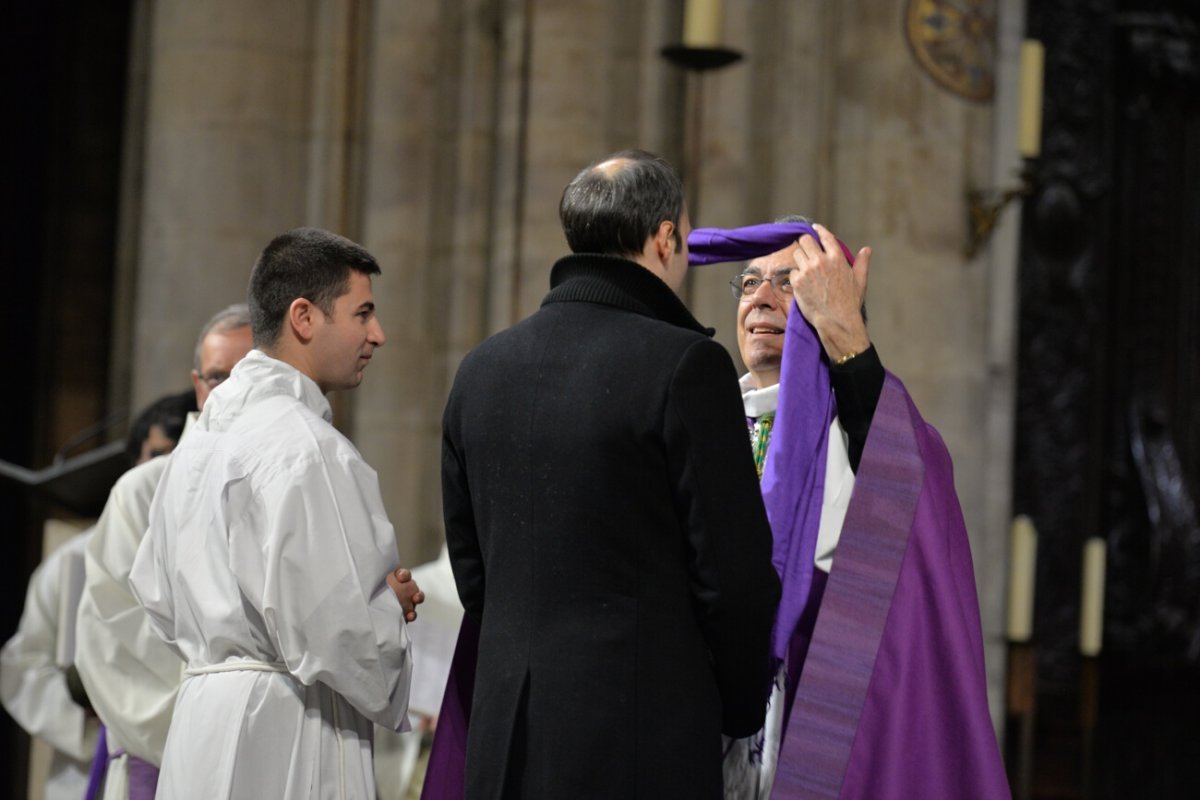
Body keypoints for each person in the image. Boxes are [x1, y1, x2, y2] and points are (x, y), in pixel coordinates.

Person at [433, 150, 781, 799]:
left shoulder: (480, 371)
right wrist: (737, 712)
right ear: (666, 238)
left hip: (505, 741)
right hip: (638, 741)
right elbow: (733, 580)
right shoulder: (686, 367)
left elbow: (474, 576)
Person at [688, 219, 1009, 799]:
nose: (759, 298)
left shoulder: (863, 423)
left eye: (787, 284)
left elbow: (913, 496)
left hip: (814, 710)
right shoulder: (694, 416)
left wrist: (847, 336)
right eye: (750, 282)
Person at [128, 228, 421, 799]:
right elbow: (342, 637)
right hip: (286, 730)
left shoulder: (201, 442)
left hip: (201, 725)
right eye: (362, 314)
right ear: (305, 317)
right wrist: (387, 606)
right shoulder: (303, 445)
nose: (377, 335)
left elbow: (155, 595)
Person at [75, 305, 253, 800]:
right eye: (219, 377)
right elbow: (112, 633)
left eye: (248, 375)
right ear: (198, 385)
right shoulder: (142, 493)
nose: (232, 392)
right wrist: (214, 715)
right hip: (169, 749)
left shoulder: (295, 478)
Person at [1, 393, 192, 800]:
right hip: (90, 762)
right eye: (157, 454)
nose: (165, 469)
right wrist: (96, 714)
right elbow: (21, 666)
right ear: (136, 461)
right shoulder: (73, 557)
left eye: (179, 455)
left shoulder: (207, 554)